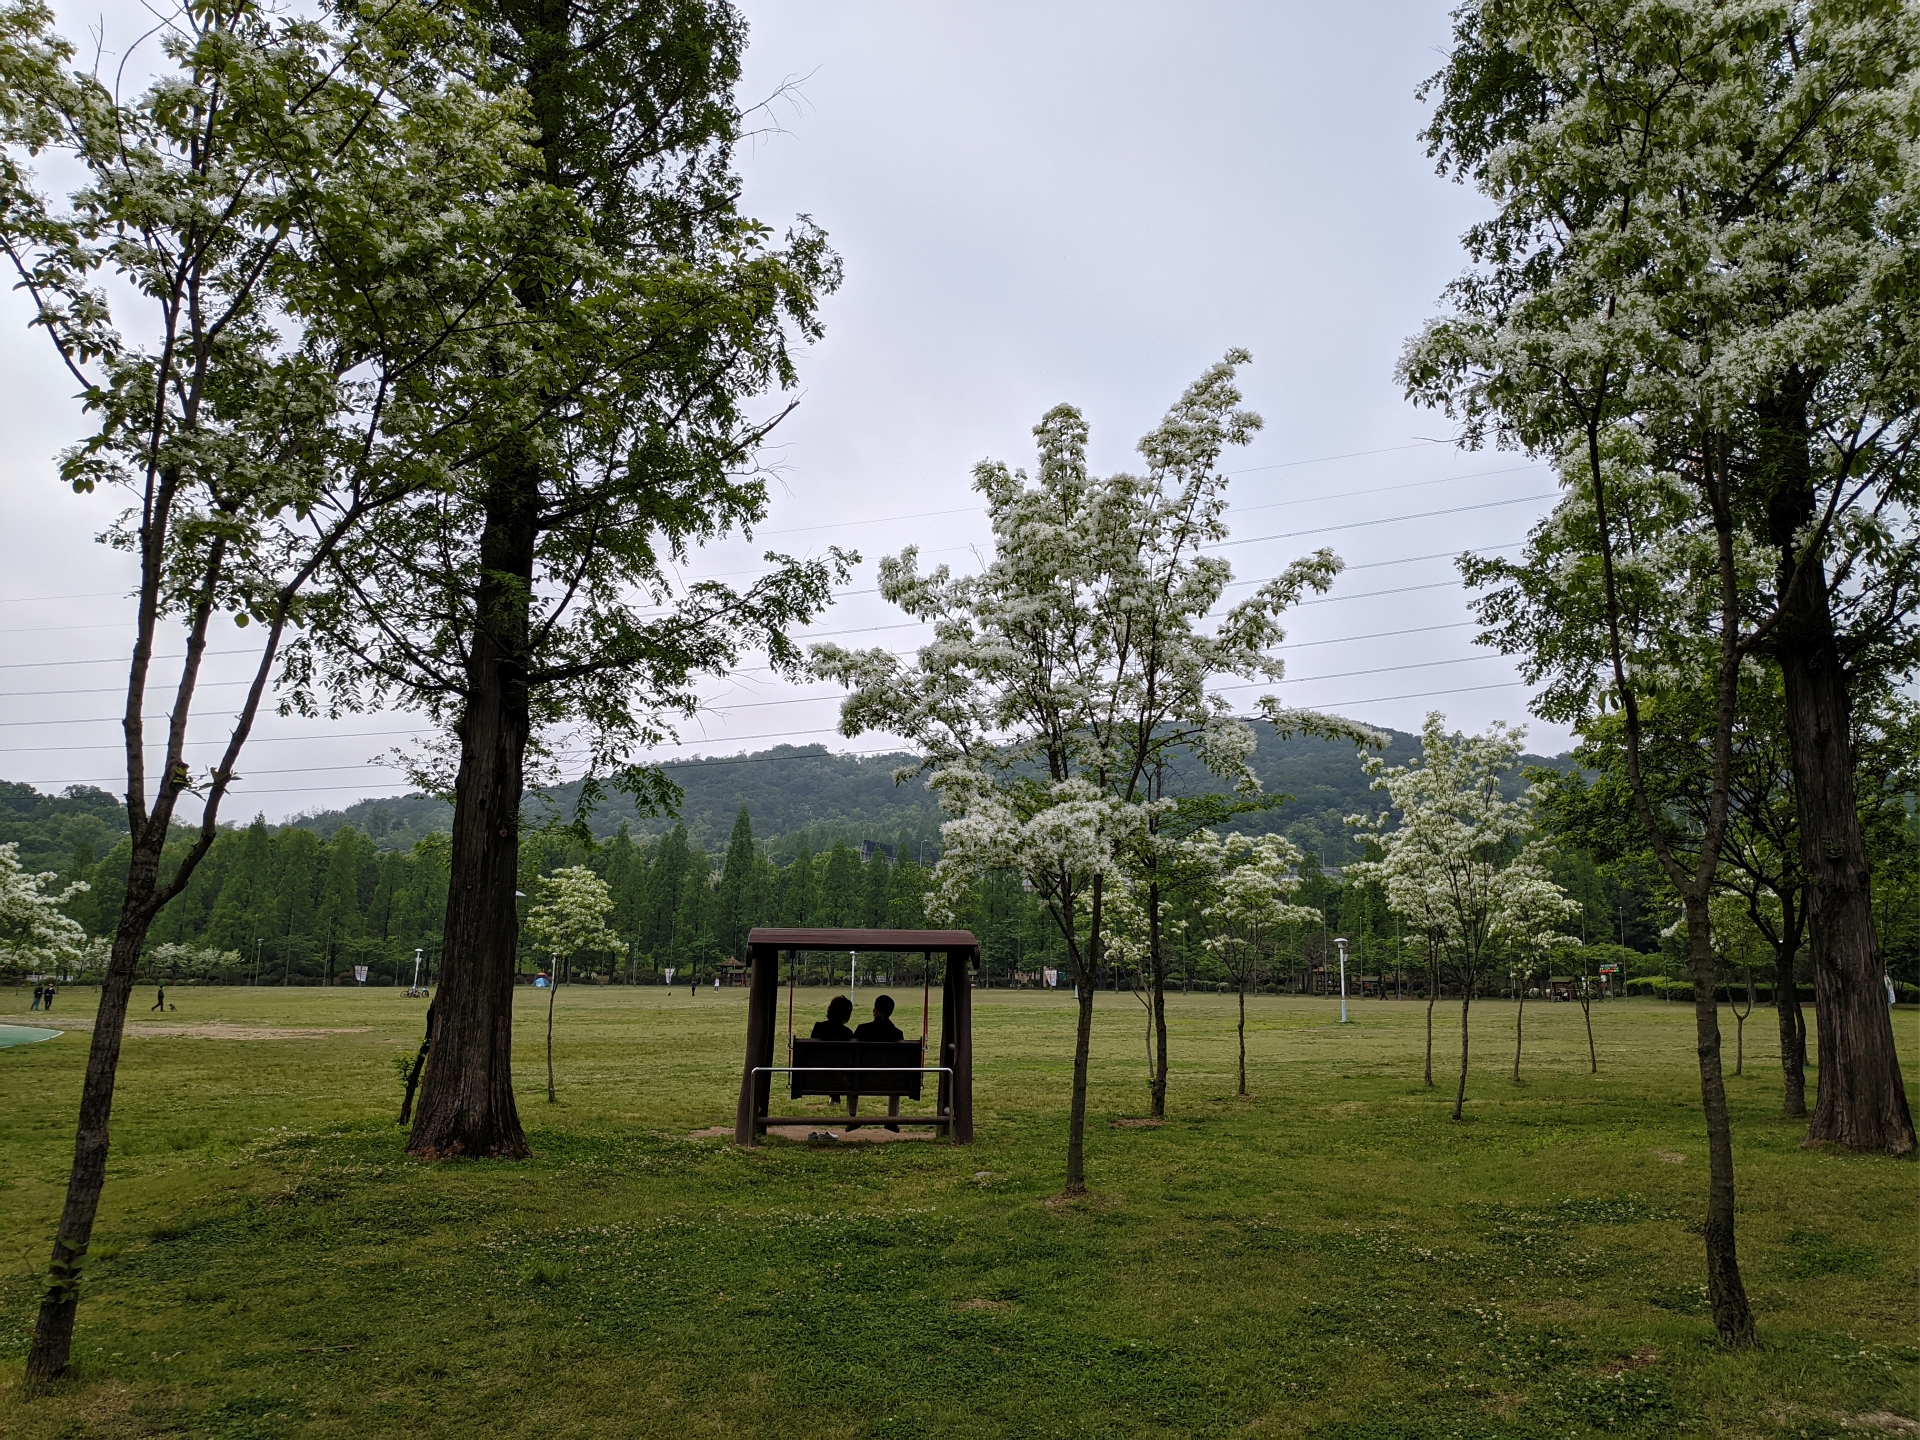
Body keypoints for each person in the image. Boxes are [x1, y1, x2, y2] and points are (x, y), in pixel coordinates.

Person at [853, 995, 906, 1131]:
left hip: (861, 1079)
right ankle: (892, 1119)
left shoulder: (862, 1029)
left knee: (853, 1075)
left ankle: (852, 1116)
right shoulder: (897, 1034)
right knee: (895, 1077)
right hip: (890, 1080)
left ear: (875, 1011)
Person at [811, 995, 854, 1105]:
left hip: (816, 1076)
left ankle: (834, 1094)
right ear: (847, 1014)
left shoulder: (819, 1027)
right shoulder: (847, 1033)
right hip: (840, 1077)